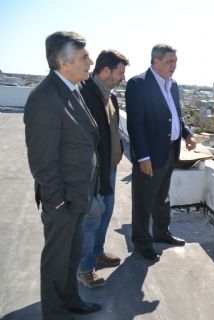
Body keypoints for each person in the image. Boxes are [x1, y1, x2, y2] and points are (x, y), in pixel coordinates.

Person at [24, 31, 101, 319]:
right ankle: (55, 313)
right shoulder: (44, 97)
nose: (90, 62)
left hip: (77, 194)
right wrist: (56, 201)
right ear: (62, 62)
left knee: (71, 255)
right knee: (57, 259)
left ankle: (71, 300)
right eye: (84, 57)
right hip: (62, 199)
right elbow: (42, 160)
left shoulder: (72, 88)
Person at [125, 44, 196, 262]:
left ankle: (161, 233)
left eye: (175, 61)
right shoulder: (138, 84)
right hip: (150, 154)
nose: (174, 66)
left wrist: (187, 134)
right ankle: (141, 243)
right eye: (169, 61)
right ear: (155, 61)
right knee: (143, 202)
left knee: (162, 198)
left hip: (170, 151)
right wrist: (142, 157)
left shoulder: (172, 86)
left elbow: (176, 117)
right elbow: (135, 125)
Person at [76, 50, 129, 288]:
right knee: (91, 218)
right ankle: (84, 269)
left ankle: (97, 252)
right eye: (120, 73)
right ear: (106, 71)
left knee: (105, 213)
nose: (122, 78)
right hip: (93, 171)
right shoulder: (85, 94)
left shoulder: (111, 97)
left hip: (109, 167)